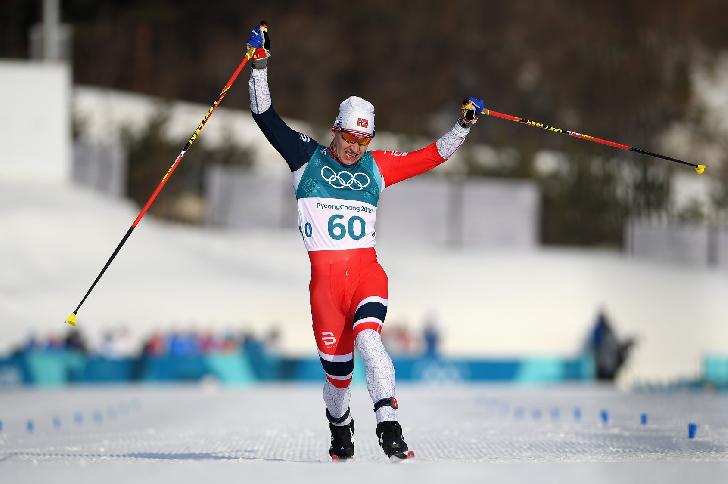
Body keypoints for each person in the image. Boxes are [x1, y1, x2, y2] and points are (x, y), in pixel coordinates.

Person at [245, 23, 483, 460]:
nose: (356, 146)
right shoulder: (305, 156)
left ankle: (389, 425)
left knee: (371, 339)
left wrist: (462, 126)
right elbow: (265, 116)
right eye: (350, 136)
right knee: (337, 380)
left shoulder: (376, 167)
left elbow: (431, 155)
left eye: (364, 138)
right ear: (335, 128)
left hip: (366, 273)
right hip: (325, 289)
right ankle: (341, 426)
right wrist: (259, 65)